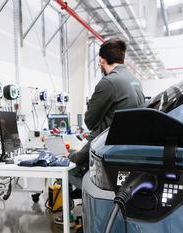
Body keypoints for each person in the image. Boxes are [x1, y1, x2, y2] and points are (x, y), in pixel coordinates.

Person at [55, 38, 145, 227]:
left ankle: (70, 217)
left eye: (100, 62)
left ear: (102, 61)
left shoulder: (109, 82)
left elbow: (90, 121)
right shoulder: (135, 81)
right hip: (126, 153)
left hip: (108, 154)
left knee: (65, 168)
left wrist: (74, 156)